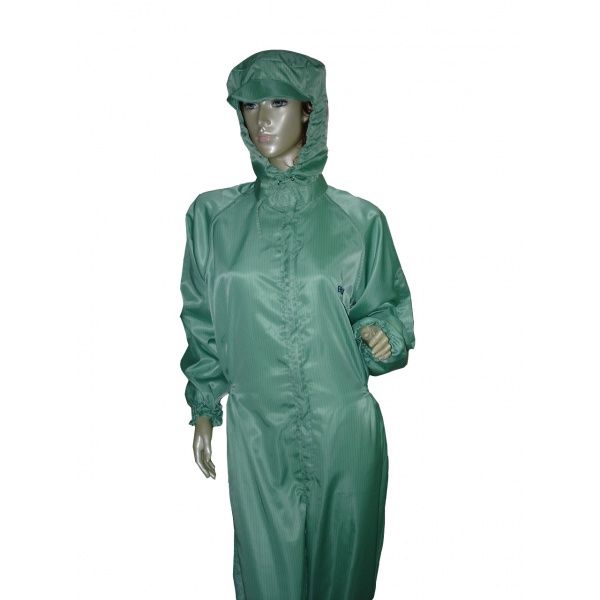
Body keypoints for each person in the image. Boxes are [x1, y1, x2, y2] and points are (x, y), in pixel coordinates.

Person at [179, 49, 415, 600]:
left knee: (344, 581)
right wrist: (204, 405)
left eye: (279, 103)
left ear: (311, 110)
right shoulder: (213, 219)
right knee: (267, 580)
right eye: (250, 105)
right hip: (257, 430)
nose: (262, 119)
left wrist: (383, 335)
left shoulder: (360, 221)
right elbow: (201, 319)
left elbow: (389, 309)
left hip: (344, 431)